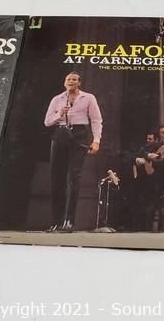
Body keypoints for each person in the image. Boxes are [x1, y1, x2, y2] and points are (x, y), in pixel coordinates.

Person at [42, 72, 102, 232]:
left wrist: (96, 140)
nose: (71, 81)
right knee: (57, 178)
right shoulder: (57, 99)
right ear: (64, 83)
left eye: (74, 79)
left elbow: (96, 120)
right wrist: (59, 114)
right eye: (68, 79)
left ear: (79, 83)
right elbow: (47, 122)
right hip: (60, 133)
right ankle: (56, 221)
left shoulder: (88, 98)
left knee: (74, 177)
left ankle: (68, 221)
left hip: (79, 134)